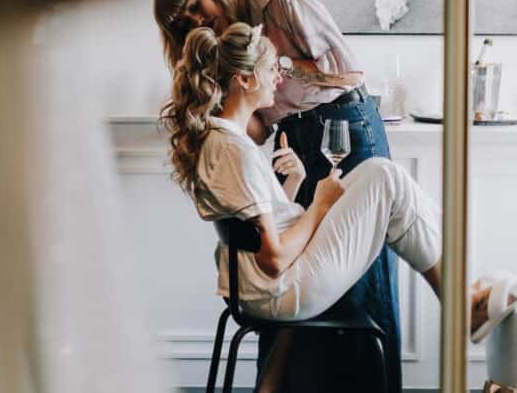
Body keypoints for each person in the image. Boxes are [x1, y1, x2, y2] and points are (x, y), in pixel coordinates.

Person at [161, 22, 491, 392]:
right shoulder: (232, 150)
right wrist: (318, 205)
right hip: (281, 290)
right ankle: (462, 301)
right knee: (385, 177)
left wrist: (295, 183)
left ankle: (461, 291)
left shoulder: (223, 140)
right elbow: (272, 258)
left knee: (378, 176)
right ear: (245, 79)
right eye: (272, 70)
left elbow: (260, 235)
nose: (280, 80)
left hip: (265, 286)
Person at [153, 0, 400, 391]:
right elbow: (258, 129)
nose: (195, 20)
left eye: (195, 6)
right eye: (183, 22)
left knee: (361, 273)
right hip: (297, 140)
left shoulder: (280, 4)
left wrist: (276, 63)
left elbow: (347, 74)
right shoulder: (228, 57)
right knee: (299, 266)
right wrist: (218, 95)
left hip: (346, 127)